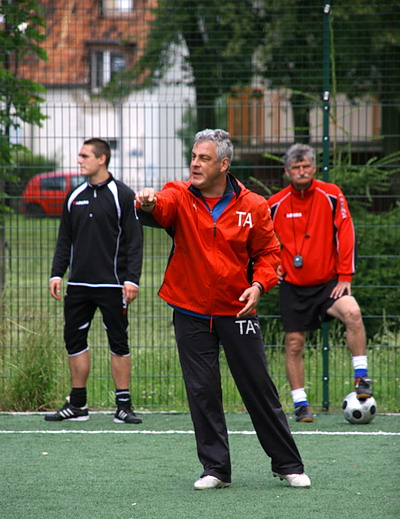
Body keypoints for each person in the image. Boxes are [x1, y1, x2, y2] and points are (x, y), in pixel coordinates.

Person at [137, 129, 310, 489]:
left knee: (258, 388)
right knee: (202, 391)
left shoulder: (254, 205)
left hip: (238, 310)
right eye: (193, 157)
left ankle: (288, 464)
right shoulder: (179, 195)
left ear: (224, 164)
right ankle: (215, 469)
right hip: (190, 309)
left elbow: (269, 254)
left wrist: (259, 285)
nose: (194, 164)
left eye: (204, 158)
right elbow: (162, 207)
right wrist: (149, 202)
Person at [267, 143, 372, 423]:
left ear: (314, 167)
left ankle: (361, 379)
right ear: (287, 171)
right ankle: (301, 404)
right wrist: (270, 268)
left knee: (352, 312)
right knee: (294, 344)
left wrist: (345, 276)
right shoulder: (274, 204)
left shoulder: (332, 194)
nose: (301, 171)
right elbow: (262, 242)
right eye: (296, 167)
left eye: (306, 166)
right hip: (292, 286)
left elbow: (346, 234)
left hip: (328, 284)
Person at [45, 138, 143, 424]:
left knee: (118, 342)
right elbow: (65, 239)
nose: (79, 160)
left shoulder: (122, 195)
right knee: (74, 340)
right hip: (78, 286)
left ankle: (123, 406)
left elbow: (134, 241)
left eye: (85, 155)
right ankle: (77, 405)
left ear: (102, 159)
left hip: (113, 285)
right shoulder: (74, 195)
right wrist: (56, 273)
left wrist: (132, 279)